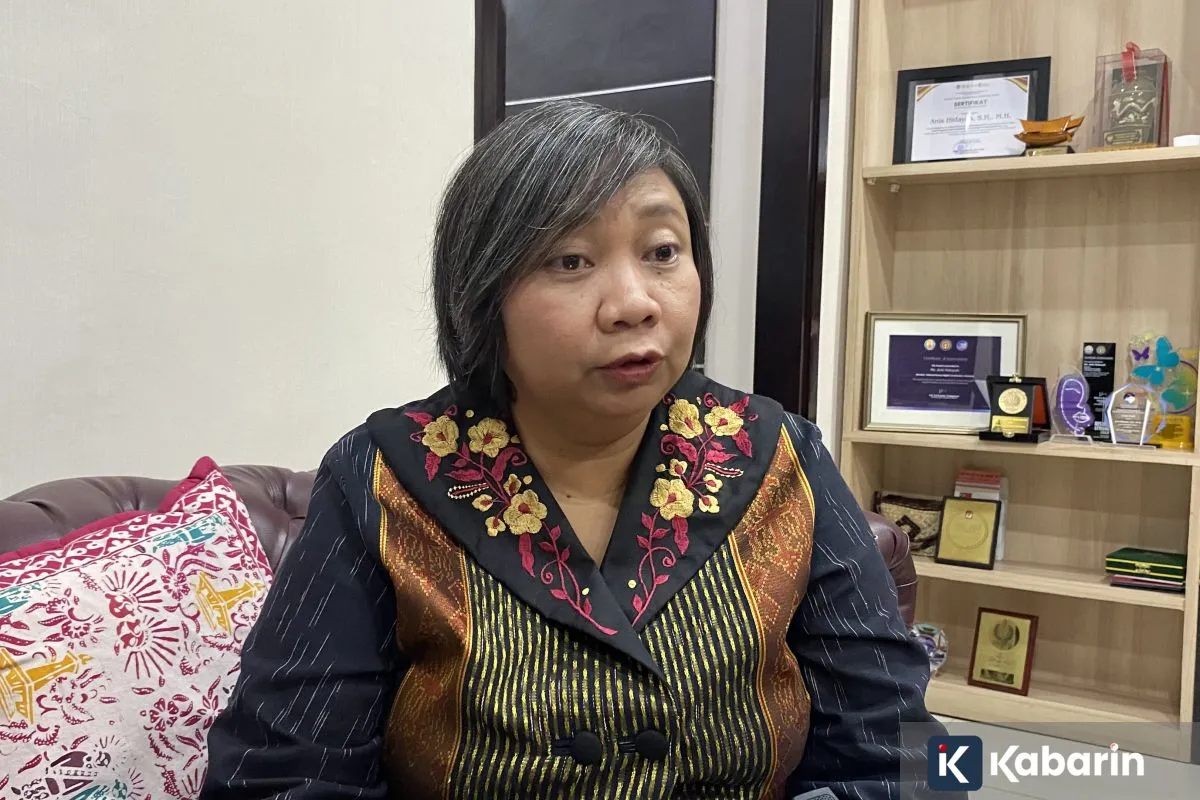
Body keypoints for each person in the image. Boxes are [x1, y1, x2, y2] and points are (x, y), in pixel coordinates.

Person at [202, 99, 953, 799]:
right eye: (569, 261)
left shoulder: (781, 456)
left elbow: (906, 756)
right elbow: (283, 776)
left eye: (663, 251)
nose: (634, 303)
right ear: (482, 294)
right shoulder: (384, 476)